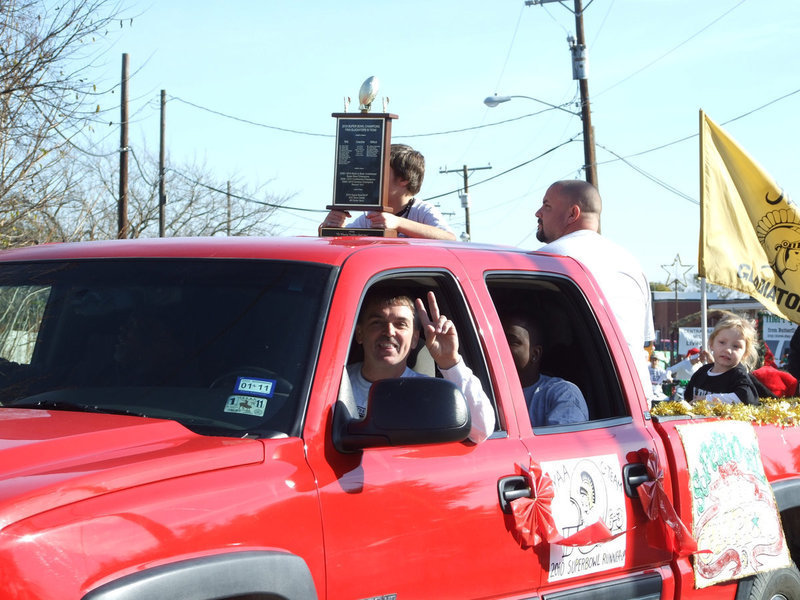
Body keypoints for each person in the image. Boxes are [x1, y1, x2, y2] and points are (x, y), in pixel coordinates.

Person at [534, 180, 655, 401]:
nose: (538, 213)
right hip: (638, 400)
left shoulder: (545, 260)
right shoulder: (631, 264)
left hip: (572, 405)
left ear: (573, 214)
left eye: (547, 206)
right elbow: (644, 345)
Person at [346, 287, 495, 443]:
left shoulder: (429, 393)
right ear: (359, 333)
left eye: (400, 324)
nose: (389, 332)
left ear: (415, 338)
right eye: (377, 323)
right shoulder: (336, 382)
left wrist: (450, 362)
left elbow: (482, 429)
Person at [320, 144, 456, 240]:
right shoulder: (370, 217)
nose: (372, 178)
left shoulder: (422, 211)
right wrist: (331, 229)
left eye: (380, 172)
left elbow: (449, 238)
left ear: (404, 179)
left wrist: (398, 223)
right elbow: (347, 242)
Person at [501, 312, 588, 427]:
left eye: (512, 342)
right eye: (498, 340)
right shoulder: (482, 388)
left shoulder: (562, 393)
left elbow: (562, 441)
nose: (500, 346)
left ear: (535, 354)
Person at [684, 314, 760, 405]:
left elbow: (747, 398)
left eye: (736, 346)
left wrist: (708, 399)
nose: (728, 350)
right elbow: (688, 397)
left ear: (745, 353)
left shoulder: (738, 376)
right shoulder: (702, 372)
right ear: (711, 344)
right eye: (722, 342)